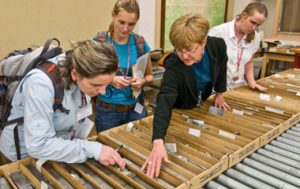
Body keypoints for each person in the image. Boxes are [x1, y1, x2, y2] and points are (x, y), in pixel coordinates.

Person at [0, 40, 125, 169]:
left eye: (107, 84)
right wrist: (92, 149)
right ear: (75, 74)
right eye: (96, 85)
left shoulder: (83, 72)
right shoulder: (40, 84)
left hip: (57, 150)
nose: (103, 92)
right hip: (21, 157)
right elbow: (38, 145)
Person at [142, 14, 229, 178]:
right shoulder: (175, 63)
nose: (183, 56)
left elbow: (222, 65)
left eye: (189, 50)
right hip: (182, 107)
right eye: (178, 49)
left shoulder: (217, 46)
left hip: (202, 103)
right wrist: (158, 139)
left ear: (203, 42)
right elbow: (165, 98)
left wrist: (220, 93)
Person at [93, 0, 153, 133]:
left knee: (136, 148)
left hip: (136, 109)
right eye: (121, 22)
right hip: (108, 112)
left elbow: (150, 76)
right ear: (113, 16)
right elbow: (87, 75)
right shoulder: (99, 42)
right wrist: (110, 80)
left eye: (131, 24)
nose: (126, 29)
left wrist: (142, 81)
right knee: (108, 150)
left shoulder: (140, 43)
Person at [209, 2, 268, 90]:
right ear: (244, 15)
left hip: (239, 86)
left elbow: (249, 62)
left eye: (258, 25)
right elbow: (207, 64)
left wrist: (252, 82)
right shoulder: (218, 32)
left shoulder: (255, 37)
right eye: (252, 22)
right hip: (216, 89)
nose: (254, 28)